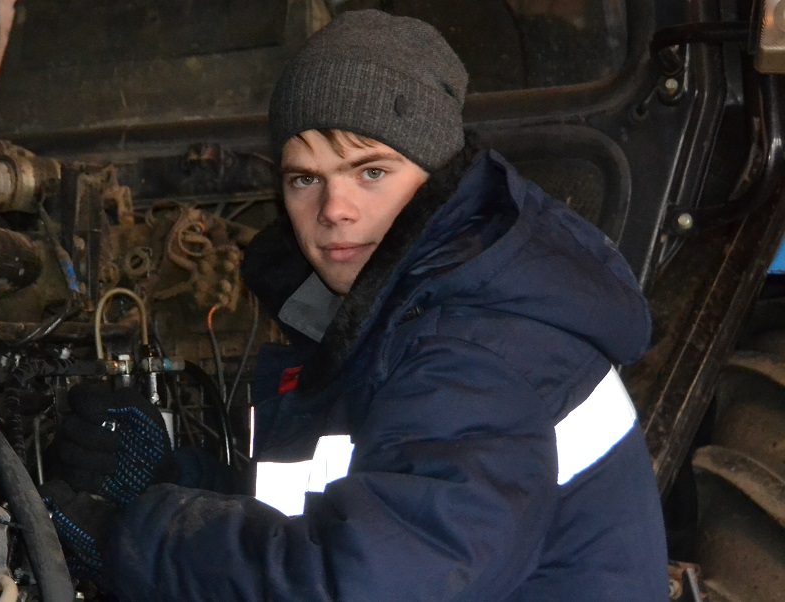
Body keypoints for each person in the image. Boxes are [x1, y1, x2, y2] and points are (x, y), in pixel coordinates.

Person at [41, 9, 669, 601]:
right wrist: (170, 481)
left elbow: (363, 580)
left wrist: (128, 543)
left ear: (437, 175)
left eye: (371, 172)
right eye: (304, 179)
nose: (334, 209)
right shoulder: (388, 317)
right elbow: (333, 513)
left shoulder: (481, 346)